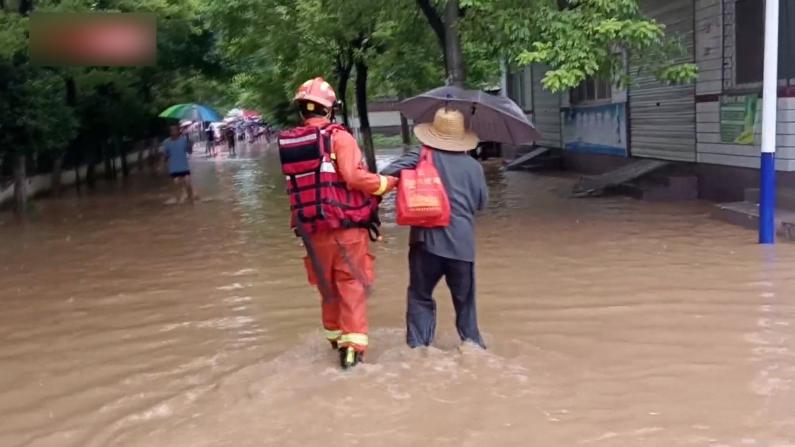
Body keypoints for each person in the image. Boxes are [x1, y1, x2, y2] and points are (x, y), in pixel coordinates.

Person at [280, 77, 398, 368]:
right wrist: (387, 183)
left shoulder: (292, 143)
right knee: (351, 285)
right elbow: (354, 177)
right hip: (345, 230)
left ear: (301, 112)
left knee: (327, 288)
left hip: (310, 231)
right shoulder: (340, 137)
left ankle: (334, 340)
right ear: (330, 110)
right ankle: (352, 350)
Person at [381, 108, 488, 349]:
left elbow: (386, 174)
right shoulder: (474, 167)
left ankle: (419, 350)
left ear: (433, 134)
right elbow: (481, 204)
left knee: (420, 297)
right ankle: (473, 348)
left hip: (425, 243)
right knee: (466, 306)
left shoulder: (420, 156)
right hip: (462, 248)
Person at [162, 124, 194, 203]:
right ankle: (182, 197)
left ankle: (191, 198)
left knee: (188, 183)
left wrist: (190, 145)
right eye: (171, 130)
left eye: (174, 130)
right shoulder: (166, 142)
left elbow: (189, 151)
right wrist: (162, 165)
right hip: (174, 168)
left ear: (178, 131)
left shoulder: (184, 140)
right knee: (177, 184)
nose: (173, 132)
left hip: (184, 167)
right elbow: (166, 155)